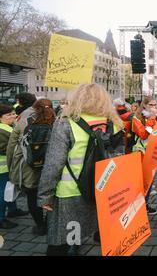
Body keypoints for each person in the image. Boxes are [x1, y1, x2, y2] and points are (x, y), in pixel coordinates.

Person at [38, 84, 124, 256]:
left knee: (61, 241)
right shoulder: (114, 124)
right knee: (98, 231)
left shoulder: (66, 123)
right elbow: (119, 160)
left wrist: (45, 196)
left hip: (71, 192)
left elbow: (54, 164)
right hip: (103, 190)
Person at [7, 98, 52, 235]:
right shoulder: (58, 122)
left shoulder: (23, 122)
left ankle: (40, 225)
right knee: (51, 196)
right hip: (50, 167)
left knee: (32, 197)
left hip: (29, 167)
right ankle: (50, 223)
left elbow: (11, 146)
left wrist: (12, 167)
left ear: (34, 108)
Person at [0, 104, 28, 229]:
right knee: (2, 193)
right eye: (9, 114)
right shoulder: (2, 130)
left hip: (9, 166)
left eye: (13, 113)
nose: (14, 116)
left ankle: (12, 209)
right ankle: (1, 219)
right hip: (3, 168)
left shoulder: (8, 127)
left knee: (11, 188)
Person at [131, 97, 157, 215]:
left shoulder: (156, 117)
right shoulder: (136, 118)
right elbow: (143, 134)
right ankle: (139, 207)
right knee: (142, 182)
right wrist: (152, 119)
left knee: (150, 181)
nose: (154, 107)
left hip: (153, 152)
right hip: (141, 154)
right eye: (151, 105)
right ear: (145, 106)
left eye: (156, 105)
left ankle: (145, 204)